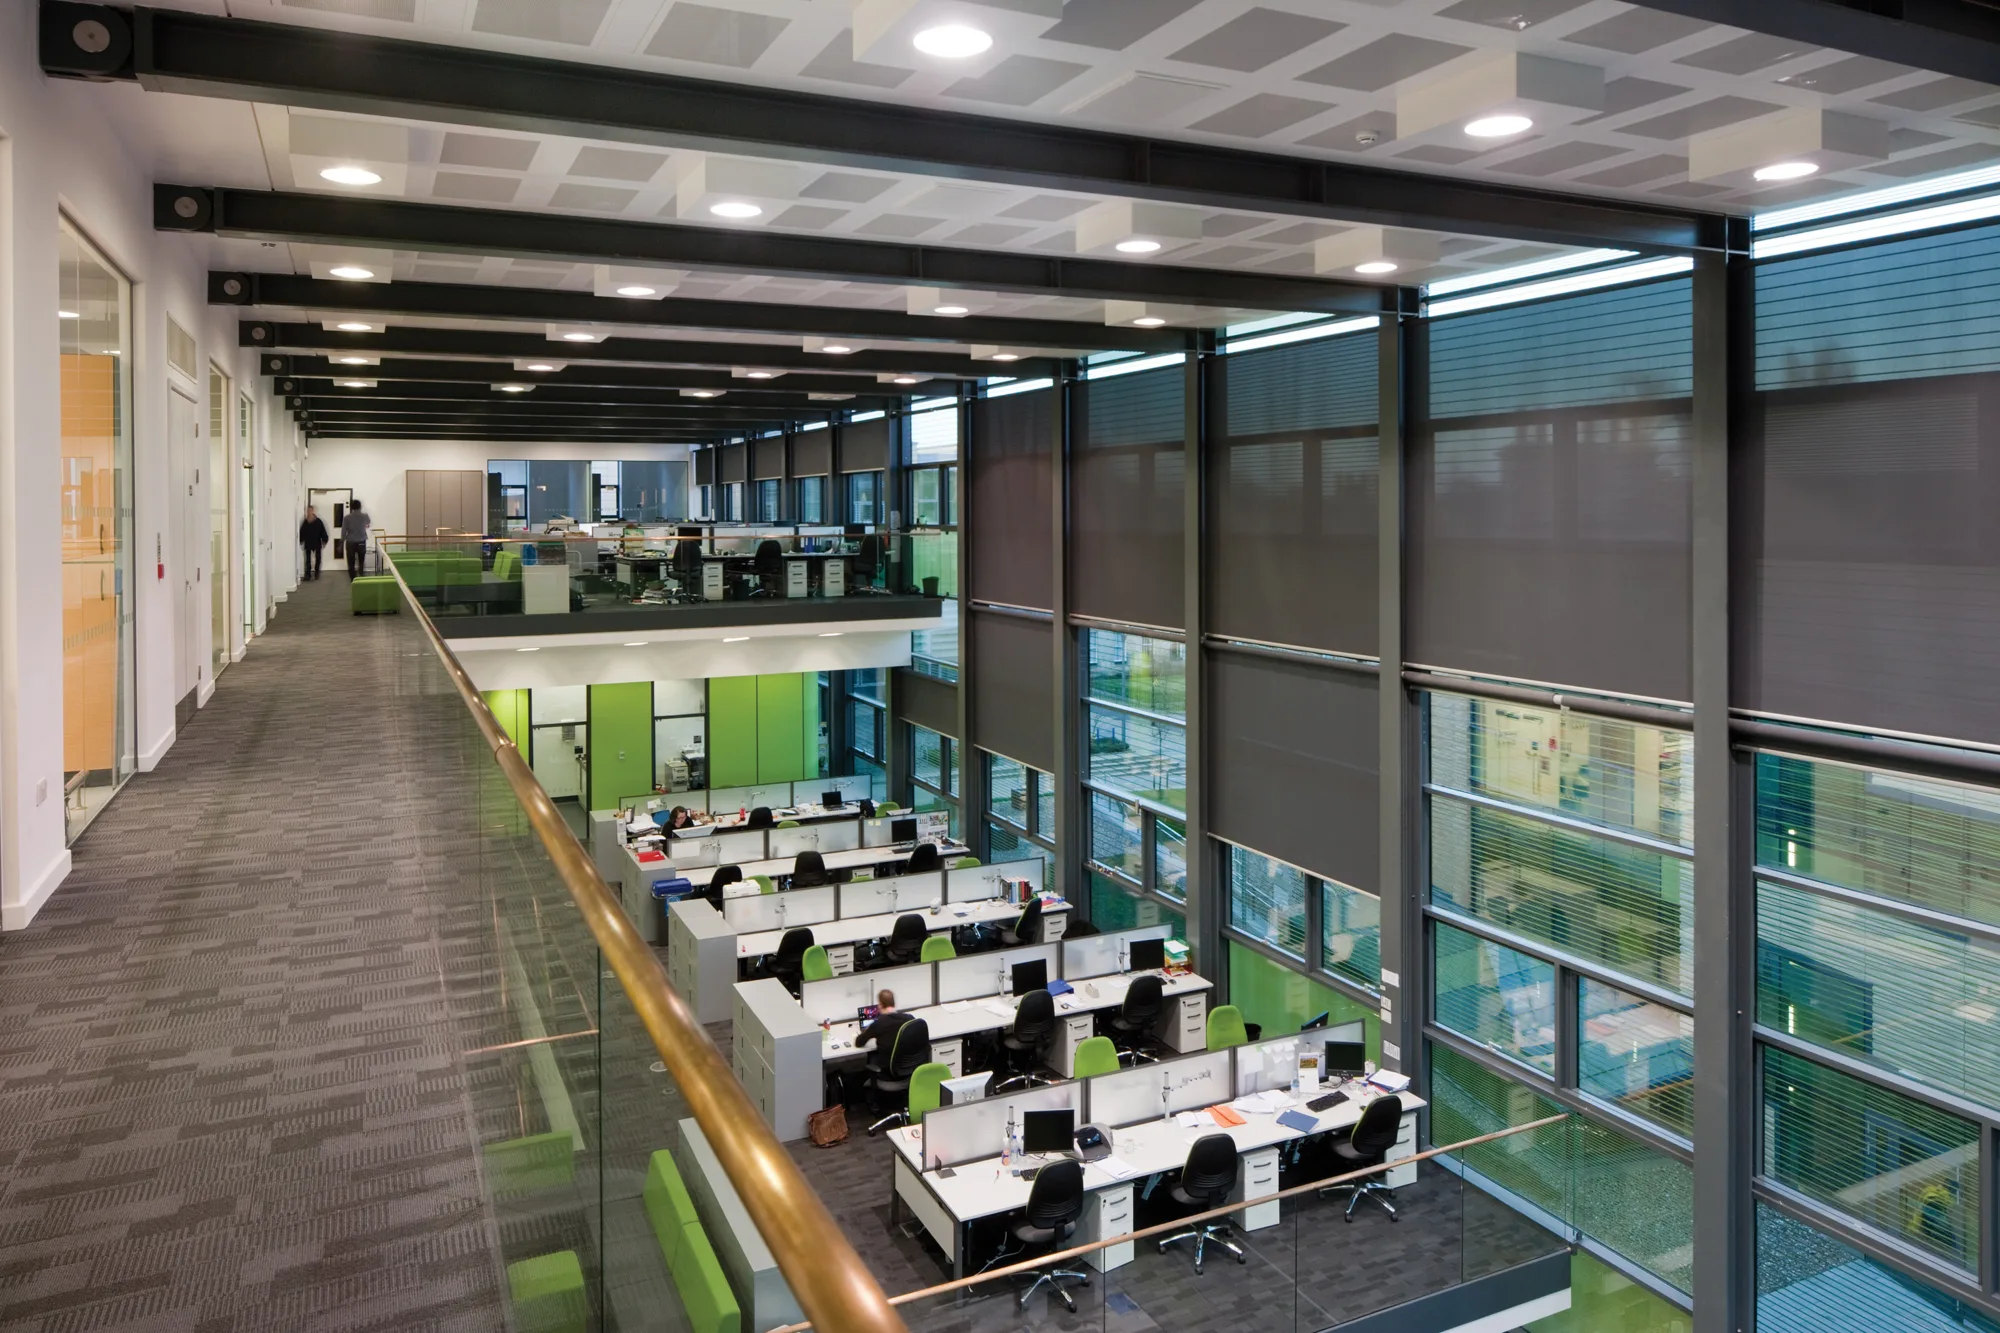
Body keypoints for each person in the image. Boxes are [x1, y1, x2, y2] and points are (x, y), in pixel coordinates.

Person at [341, 501, 371, 578]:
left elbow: (344, 531)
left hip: (351, 542)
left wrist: (341, 543)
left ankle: (353, 579)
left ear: (351, 507)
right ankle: (361, 575)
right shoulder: (365, 516)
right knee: (361, 561)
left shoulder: (347, 518)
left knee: (351, 563)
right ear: (360, 507)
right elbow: (368, 523)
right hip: (361, 541)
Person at [298, 506, 329, 581]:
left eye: (310, 510)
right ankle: (307, 575)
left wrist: (324, 540)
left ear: (313, 511)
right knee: (307, 560)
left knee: (318, 558)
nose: (308, 512)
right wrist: (300, 540)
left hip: (317, 542)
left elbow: (323, 531)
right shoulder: (305, 522)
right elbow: (302, 532)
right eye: (307, 511)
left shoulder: (318, 521)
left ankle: (317, 573)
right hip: (308, 542)